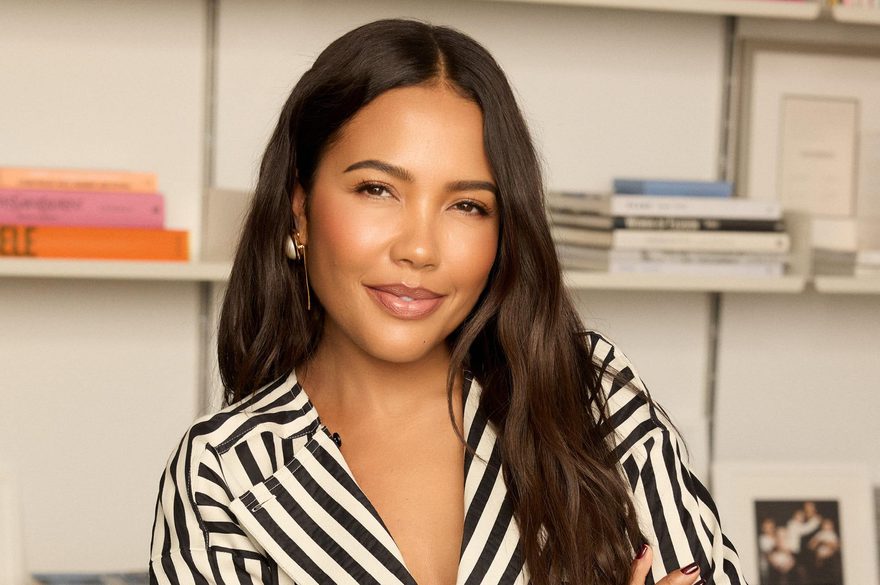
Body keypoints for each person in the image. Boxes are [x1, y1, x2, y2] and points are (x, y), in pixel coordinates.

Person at [148, 18, 746, 585]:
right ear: (300, 211)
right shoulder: (224, 471)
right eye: (377, 189)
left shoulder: (591, 395)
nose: (419, 249)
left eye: (467, 206)